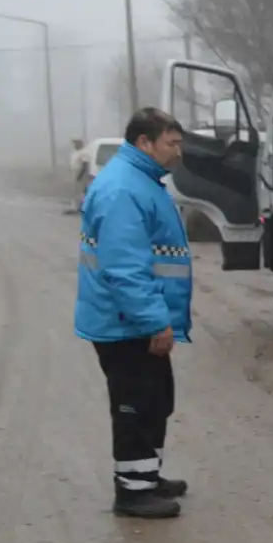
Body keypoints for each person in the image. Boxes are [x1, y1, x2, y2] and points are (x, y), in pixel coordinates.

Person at [75, 108, 192, 519]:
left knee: (155, 399)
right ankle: (132, 491)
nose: (179, 152)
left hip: (132, 319)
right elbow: (124, 266)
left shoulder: (139, 180)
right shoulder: (125, 188)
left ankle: (147, 476)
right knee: (135, 404)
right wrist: (153, 321)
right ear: (145, 142)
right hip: (125, 323)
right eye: (172, 143)